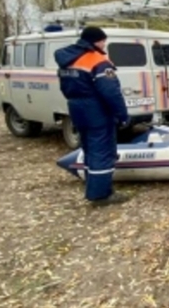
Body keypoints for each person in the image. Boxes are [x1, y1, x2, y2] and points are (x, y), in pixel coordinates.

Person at [54, 26, 131, 206]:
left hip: (75, 107)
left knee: (89, 149)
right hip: (96, 109)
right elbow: (111, 91)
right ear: (96, 41)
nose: (105, 44)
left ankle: (93, 187)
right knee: (102, 151)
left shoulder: (67, 59)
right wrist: (123, 115)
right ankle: (101, 195)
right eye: (103, 40)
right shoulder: (97, 60)